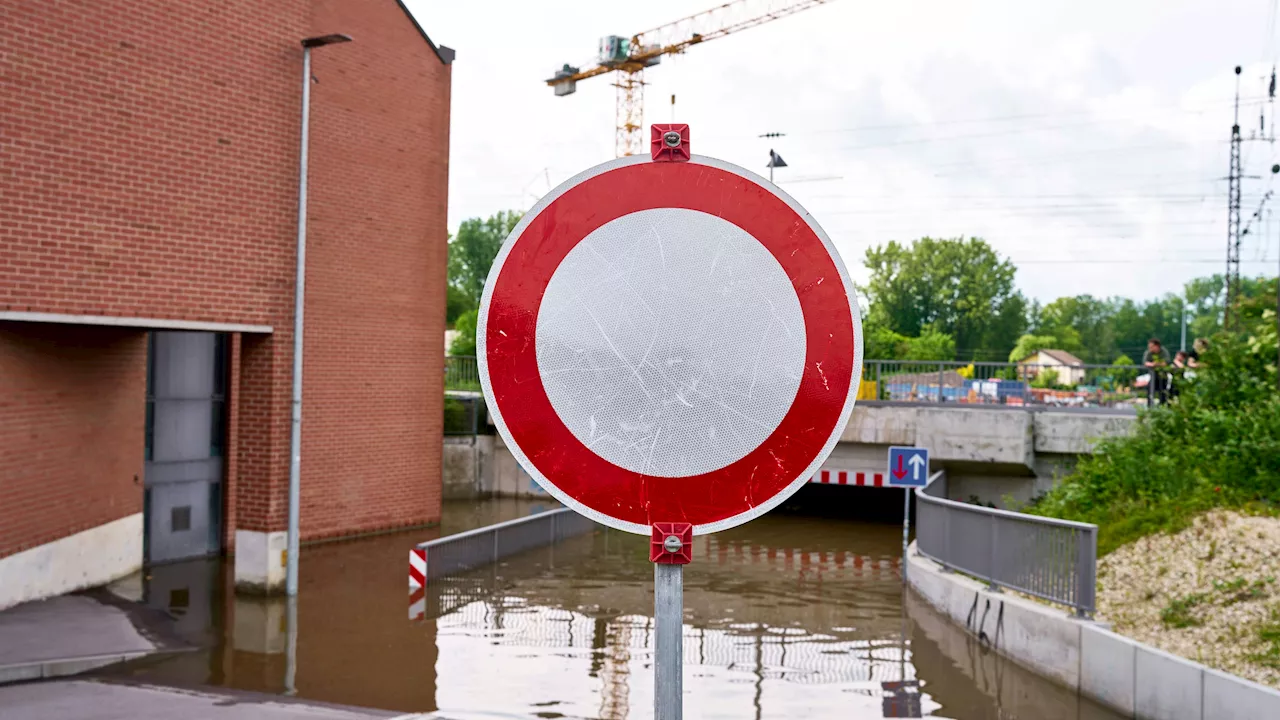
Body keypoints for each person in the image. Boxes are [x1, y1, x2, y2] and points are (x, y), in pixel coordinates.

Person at [1143, 338, 1171, 404]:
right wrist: (1152, 364)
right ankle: (1150, 406)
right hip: (1153, 376)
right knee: (1149, 390)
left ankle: (1162, 406)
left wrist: (1157, 364)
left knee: (1163, 392)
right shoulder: (1149, 352)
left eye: (1151, 347)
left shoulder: (1164, 352)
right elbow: (1145, 362)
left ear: (1157, 346)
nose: (1150, 348)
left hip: (1163, 376)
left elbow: (1166, 362)